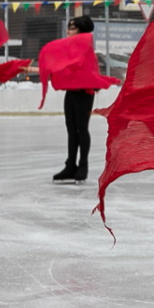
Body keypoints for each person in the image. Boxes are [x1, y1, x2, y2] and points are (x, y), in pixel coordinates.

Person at [55, 15, 97, 184]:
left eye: (72, 27)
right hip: (71, 92)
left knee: (81, 128)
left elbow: (82, 69)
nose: (68, 30)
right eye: (68, 27)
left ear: (81, 30)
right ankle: (71, 165)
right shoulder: (69, 48)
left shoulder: (86, 49)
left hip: (84, 93)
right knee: (71, 129)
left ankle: (83, 165)